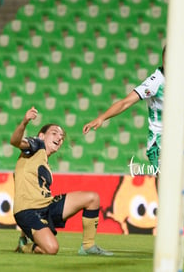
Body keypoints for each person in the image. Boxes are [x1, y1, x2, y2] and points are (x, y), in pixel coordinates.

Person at [83, 46, 184, 225]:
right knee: (170, 202)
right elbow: (126, 102)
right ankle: (171, 197)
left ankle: (183, 197)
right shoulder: (156, 81)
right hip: (162, 144)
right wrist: (101, 118)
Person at [11, 106, 113, 256]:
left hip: (46, 206)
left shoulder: (43, 162)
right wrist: (25, 122)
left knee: (92, 198)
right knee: (51, 249)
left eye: (61, 136)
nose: (59, 137)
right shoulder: (36, 145)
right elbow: (15, 141)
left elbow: (29, 189)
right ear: (41, 136)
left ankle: (88, 246)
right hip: (28, 212)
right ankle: (24, 248)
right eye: (54, 133)